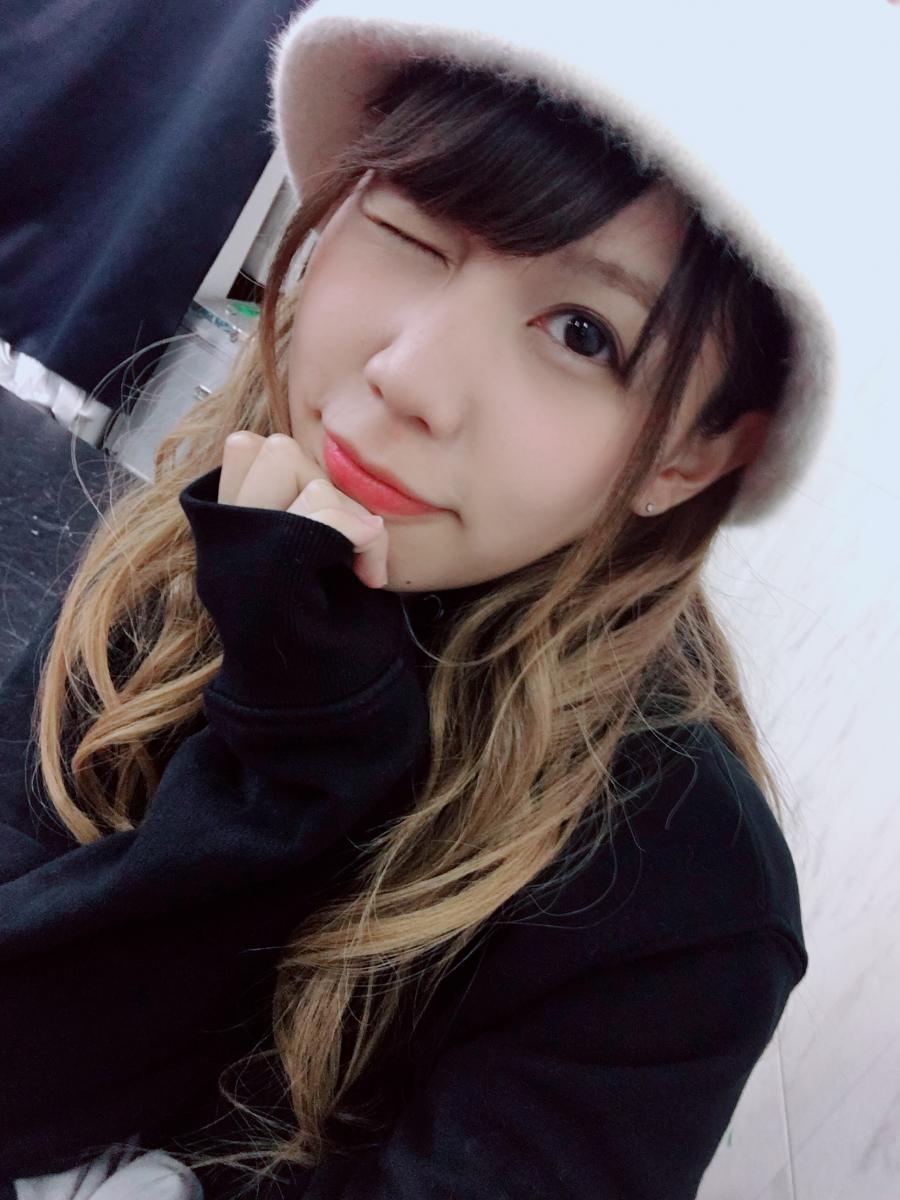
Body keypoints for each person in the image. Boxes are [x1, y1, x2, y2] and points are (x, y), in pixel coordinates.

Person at [0, 0, 841, 1196]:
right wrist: (280, 739)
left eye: (582, 333)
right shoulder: (187, 555)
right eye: (411, 231)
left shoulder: (682, 897)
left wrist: (293, 772)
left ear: (690, 456)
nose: (410, 378)